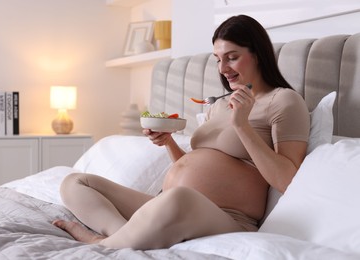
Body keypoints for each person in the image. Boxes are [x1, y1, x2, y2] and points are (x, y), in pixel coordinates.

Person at [52, 15, 310, 250]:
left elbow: (287, 180)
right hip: (166, 205)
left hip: (225, 216)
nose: (222, 69)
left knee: (179, 199)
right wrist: (168, 143)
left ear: (258, 54)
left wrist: (242, 126)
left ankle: (105, 244)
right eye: (218, 60)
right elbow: (192, 167)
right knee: (74, 183)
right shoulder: (219, 104)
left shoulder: (284, 101)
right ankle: (119, 235)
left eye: (232, 57)